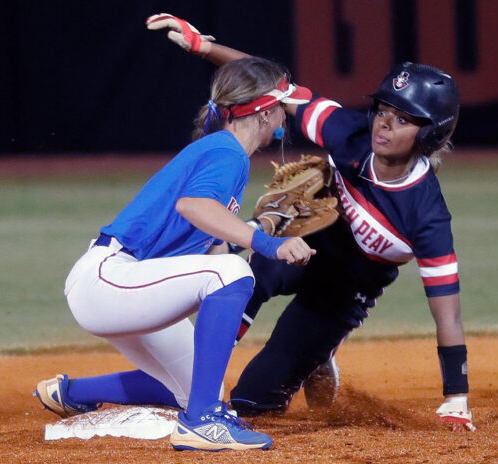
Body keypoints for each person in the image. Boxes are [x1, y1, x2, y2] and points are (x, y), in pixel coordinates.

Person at [146, 13, 475, 432]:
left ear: (433, 134)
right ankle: (192, 377)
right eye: (384, 110)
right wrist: (204, 47)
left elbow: (448, 316)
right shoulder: (348, 133)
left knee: (252, 403)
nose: (384, 124)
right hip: (304, 245)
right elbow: (274, 90)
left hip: (342, 292)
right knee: (245, 273)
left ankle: (319, 353)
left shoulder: (426, 216)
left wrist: (456, 398)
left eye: (404, 119)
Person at [33, 55, 317, 451]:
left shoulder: (223, 153)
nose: (286, 115)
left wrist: (258, 230)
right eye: (283, 106)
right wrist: (269, 244)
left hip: (130, 284)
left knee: (203, 383)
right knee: (230, 272)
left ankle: (72, 392)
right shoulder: (227, 152)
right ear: (264, 111)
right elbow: (194, 207)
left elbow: (211, 244)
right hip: (110, 277)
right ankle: (202, 424)